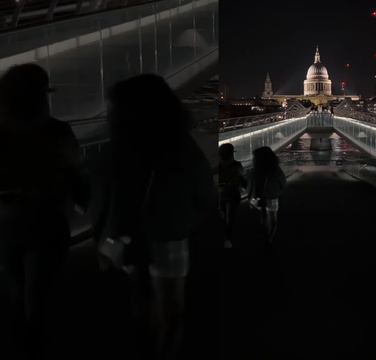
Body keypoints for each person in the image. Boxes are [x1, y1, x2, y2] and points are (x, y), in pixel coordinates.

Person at [93, 74, 215, 360]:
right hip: (169, 236)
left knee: (140, 303)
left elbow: (100, 201)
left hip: (127, 237)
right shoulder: (181, 147)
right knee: (172, 311)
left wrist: (103, 239)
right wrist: (184, 223)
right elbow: (205, 195)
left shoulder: (113, 150)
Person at [0, 63, 88, 359]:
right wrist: (85, 203)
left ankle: (19, 343)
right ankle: (33, 346)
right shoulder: (56, 131)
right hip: (46, 221)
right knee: (39, 297)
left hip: (5, 223)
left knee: (14, 291)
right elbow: (76, 173)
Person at [248, 147, 286, 249]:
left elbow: (250, 185)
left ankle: (264, 234)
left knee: (263, 217)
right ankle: (269, 240)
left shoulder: (254, 171)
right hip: (272, 197)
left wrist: (250, 199)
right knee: (273, 221)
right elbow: (282, 182)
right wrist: (280, 191)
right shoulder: (275, 170)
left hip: (258, 199)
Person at [217, 143, 246, 248]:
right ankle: (228, 239)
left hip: (221, 193)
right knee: (230, 217)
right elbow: (242, 178)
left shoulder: (218, 166)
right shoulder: (237, 165)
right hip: (233, 193)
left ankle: (225, 237)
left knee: (224, 215)